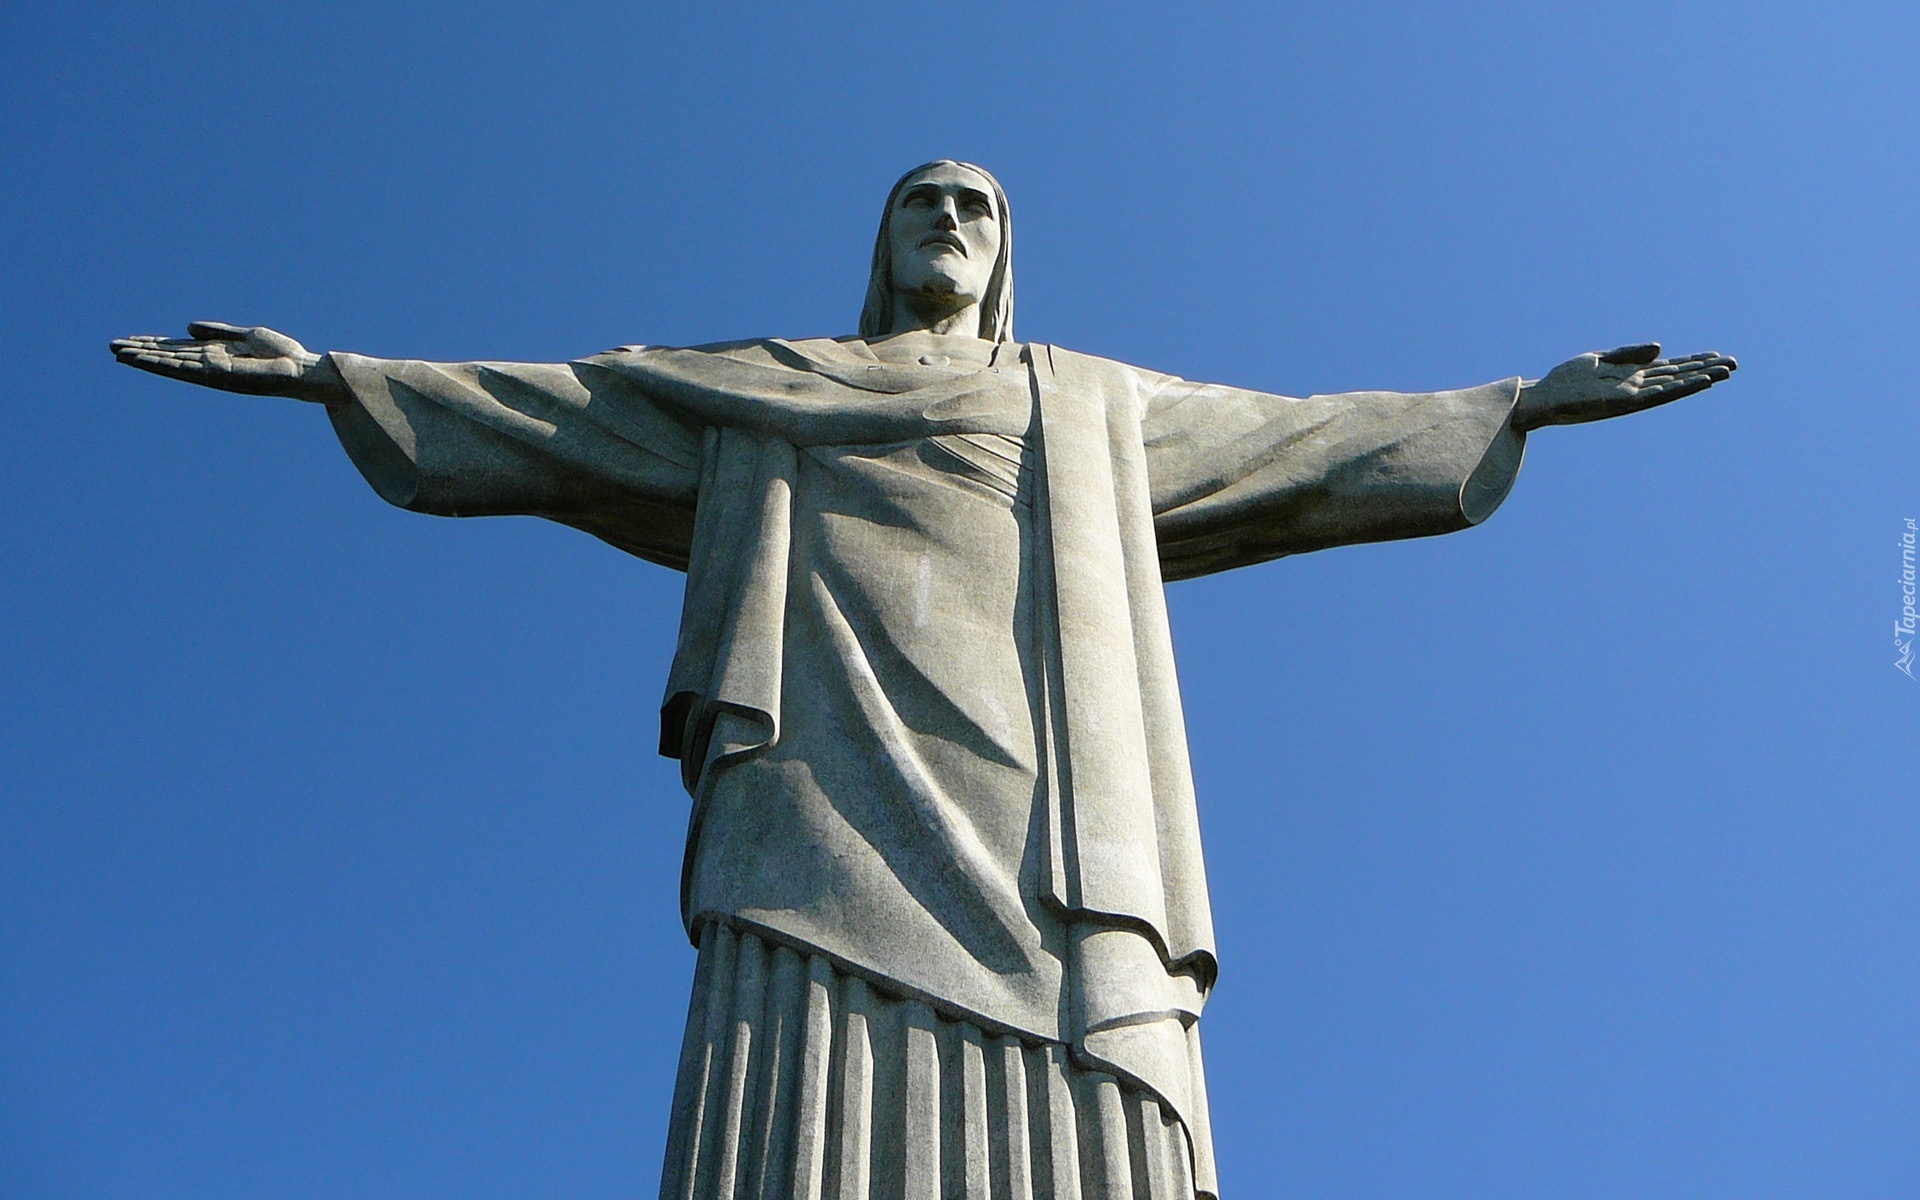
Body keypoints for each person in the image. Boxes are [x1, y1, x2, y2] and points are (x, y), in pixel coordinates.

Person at [113, 160, 1735, 1200]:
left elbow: (1300, 440)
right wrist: (337, 372)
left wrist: (1516, 402)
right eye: (921, 206)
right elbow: (556, 414)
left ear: (1004, 256)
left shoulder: (1088, 402)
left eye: (976, 210)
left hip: (1056, 811)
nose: (948, 225)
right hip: (816, 776)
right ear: (880, 250)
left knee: (1112, 1080)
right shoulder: (759, 390)